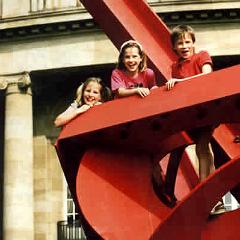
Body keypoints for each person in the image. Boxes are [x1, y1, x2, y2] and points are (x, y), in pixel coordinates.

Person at [155, 25, 225, 214]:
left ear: (193, 43)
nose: (185, 46)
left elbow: (207, 76)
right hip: (191, 113)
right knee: (201, 148)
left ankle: (206, 195)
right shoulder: (175, 67)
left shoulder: (201, 55)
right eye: (180, 43)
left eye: (187, 42)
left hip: (206, 108)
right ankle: (212, 198)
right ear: (174, 47)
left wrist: (179, 83)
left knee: (203, 146)